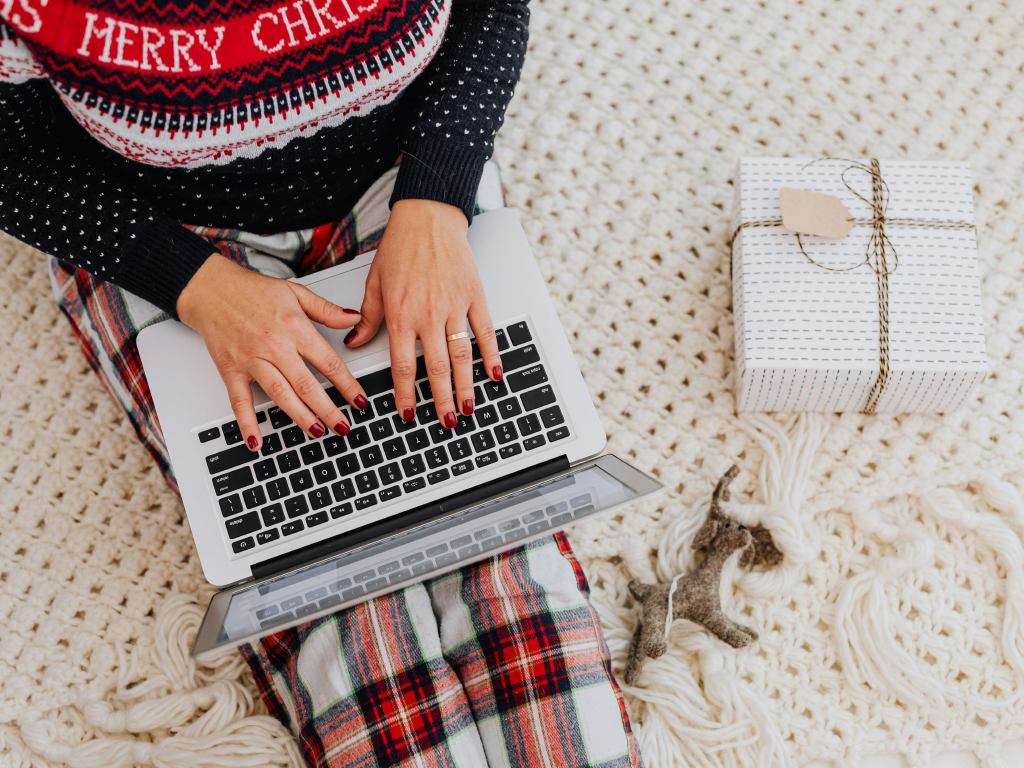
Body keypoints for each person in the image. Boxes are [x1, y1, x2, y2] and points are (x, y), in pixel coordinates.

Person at [0, 1, 643, 765]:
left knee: (496, 531)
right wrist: (193, 286)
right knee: (323, 578)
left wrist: (437, 196)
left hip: (403, 171)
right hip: (155, 226)